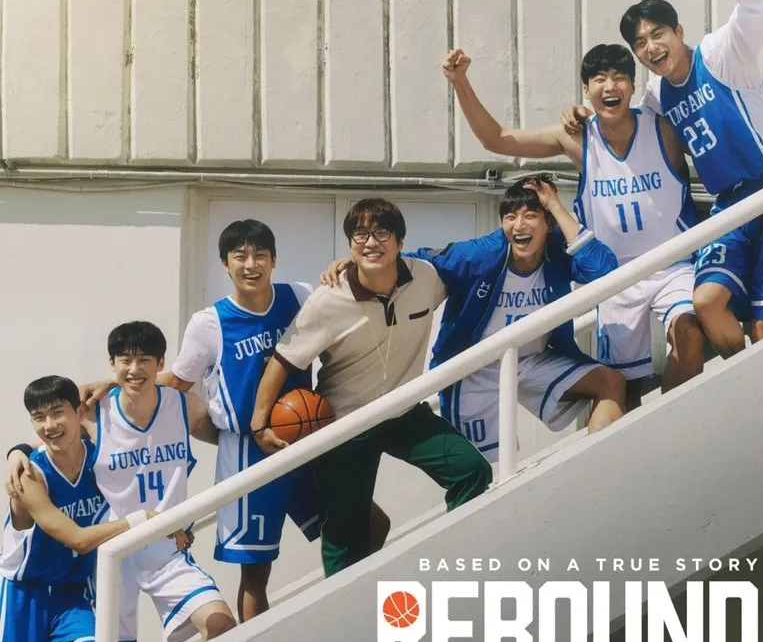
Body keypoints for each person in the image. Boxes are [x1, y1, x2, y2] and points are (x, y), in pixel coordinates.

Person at [444, 44, 704, 405]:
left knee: (689, 334)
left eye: (619, 77)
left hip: (671, 264)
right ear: (586, 89)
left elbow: (720, 135)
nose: (610, 86)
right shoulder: (578, 137)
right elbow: (497, 139)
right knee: (623, 388)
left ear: (632, 85)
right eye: (600, 79)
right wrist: (460, 82)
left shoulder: (664, 127)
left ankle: (670, 425)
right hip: (614, 276)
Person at [251, 199, 493, 577]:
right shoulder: (328, 300)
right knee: (346, 532)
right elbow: (283, 360)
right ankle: (340, 606)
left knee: (472, 471)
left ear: (399, 242)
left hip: (404, 412)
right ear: (350, 245)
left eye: (382, 232)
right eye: (360, 234)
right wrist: (259, 424)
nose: (370, 242)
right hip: (345, 426)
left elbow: (476, 259)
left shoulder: (427, 277)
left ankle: (449, 565)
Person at [163, 218, 390, 621]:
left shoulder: (299, 296)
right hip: (248, 454)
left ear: (274, 260)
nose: (251, 265)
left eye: (260, 256)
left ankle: (346, 615)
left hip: (305, 439)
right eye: (240, 256)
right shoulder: (209, 323)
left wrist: (345, 266)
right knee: (256, 573)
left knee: (371, 522)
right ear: (225, 264)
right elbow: (177, 382)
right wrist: (114, 386)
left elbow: (353, 292)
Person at [566, 0, 763, 358]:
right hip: (728, 207)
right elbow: (625, 123)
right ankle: (745, 379)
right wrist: (581, 115)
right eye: (640, 43)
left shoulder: (721, 54)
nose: (651, 47)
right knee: (706, 302)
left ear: (679, 31)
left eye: (658, 34)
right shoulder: (656, 96)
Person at [7, 322, 236, 642]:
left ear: (161, 362)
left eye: (144, 359)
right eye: (125, 360)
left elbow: (231, 439)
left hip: (166, 546)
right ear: (111, 363)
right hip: (112, 555)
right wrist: (16, 451)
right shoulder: (94, 414)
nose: (134, 368)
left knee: (221, 624)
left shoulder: (184, 407)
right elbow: (52, 437)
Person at [406, 176, 626, 458]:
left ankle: (600, 472)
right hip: (476, 369)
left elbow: (605, 271)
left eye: (530, 216)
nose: (519, 225)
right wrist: (360, 267)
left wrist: (556, 206)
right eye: (510, 217)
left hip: (533, 359)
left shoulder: (557, 250)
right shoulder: (481, 254)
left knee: (610, 382)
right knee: (481, 466)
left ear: (549, 224)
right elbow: (419, 262)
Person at [0, 376, 157, 642]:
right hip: (24, 596)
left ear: (78, 412)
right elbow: (78, 539)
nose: (49, 425)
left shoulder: (101, 460)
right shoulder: (28, 475)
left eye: (58, 413)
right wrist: (143, 520)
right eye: (39, 417)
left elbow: (142, 397)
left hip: (70, 593)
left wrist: (115, 381)